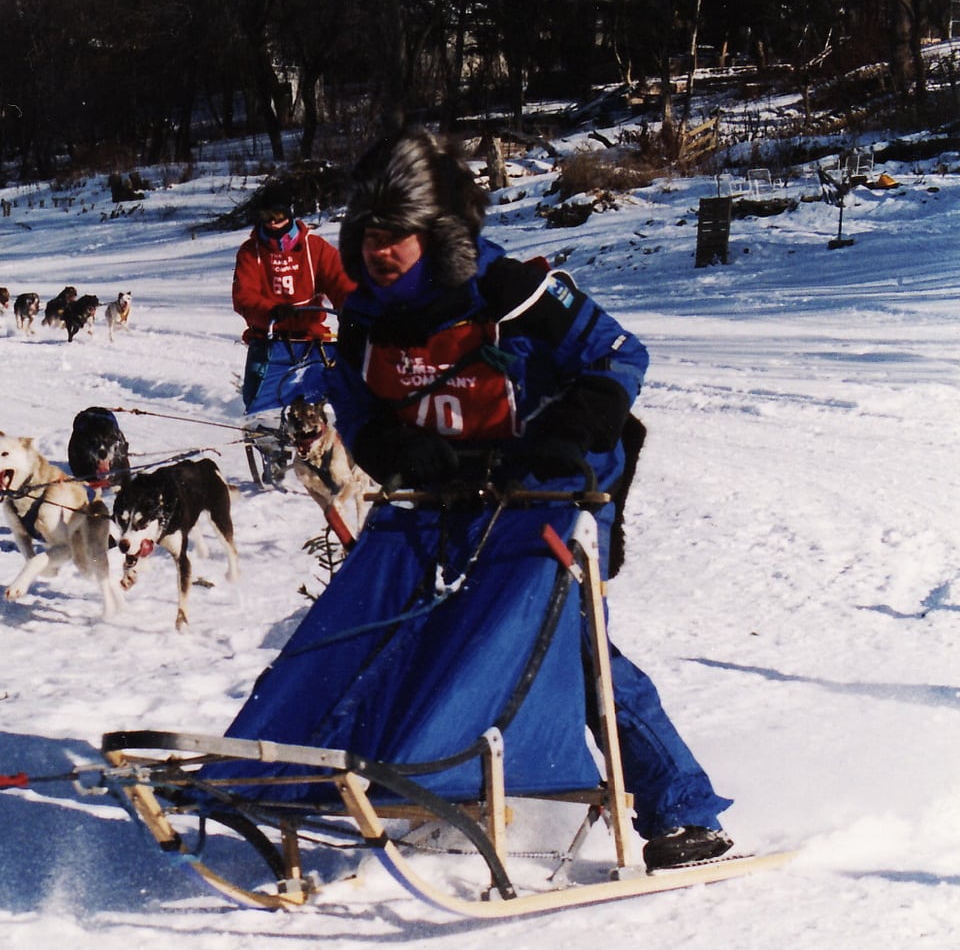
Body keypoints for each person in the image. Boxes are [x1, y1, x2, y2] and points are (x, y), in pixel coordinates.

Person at [228, 130, 733, 871]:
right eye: (367, 233)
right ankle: (314, 769)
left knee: (564, 639)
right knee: (377, 616)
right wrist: (394, 448)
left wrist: (564, 430)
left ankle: (682, 809)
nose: (378, 249)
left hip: (555, 491)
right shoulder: (366, 318)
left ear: (435, 233)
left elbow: (621, 356)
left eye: (395, 233)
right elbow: (358, 408)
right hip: (445, 494)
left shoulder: (510, 292)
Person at [231, 196, 355, 410]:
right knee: (258, 402)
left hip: (311, 338)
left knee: (333, 396)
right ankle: (264, 434)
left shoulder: (315, 248)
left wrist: (351, 309)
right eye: (266, 218)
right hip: (268, 339)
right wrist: (270, 311)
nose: (272, 223)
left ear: (289, 215)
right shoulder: (251, 252)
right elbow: (244, 296)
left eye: (278, 217)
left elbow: (341, 282)